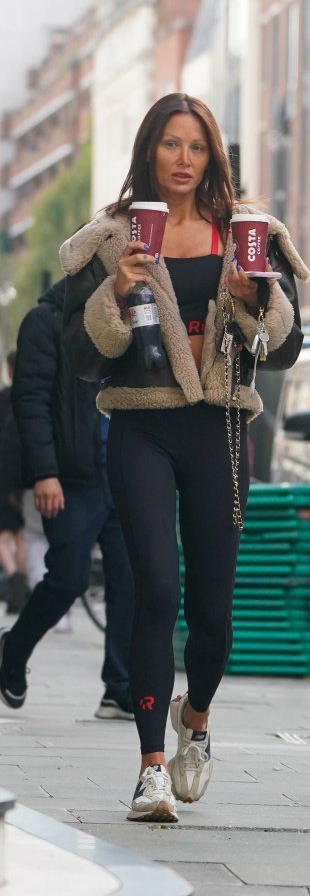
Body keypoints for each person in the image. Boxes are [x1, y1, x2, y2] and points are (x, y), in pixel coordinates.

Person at [59, 93, 308, 824]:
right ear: (149, 151)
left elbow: (286, 348)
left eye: (196, 146)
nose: (183, 158)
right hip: (142, 426)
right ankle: (150, 769)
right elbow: (78, 354)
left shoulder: (247, 234)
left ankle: (193, 717)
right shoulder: (110, 239)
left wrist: (255, 297)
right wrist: (118, 287)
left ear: (213, 156)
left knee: (212, 613)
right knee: (153, 592)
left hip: (223, 431)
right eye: (170, 144)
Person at [0, 277, 136, 720]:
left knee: (131, 578)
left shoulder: (134, 313)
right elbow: (31, 402)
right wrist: (43, 474)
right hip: (72, 475)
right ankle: (13, 648)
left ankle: (119, 687)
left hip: (124, 470)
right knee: (69, 577)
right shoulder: (46, 321)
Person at [0, 350, 28, 614]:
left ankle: (13, 577)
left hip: (4, 474)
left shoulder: (3, 400)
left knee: (2, 535)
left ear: (9, 370)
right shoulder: (33, 398)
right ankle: (21, 578)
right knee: (21, 534)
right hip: (28, 476)